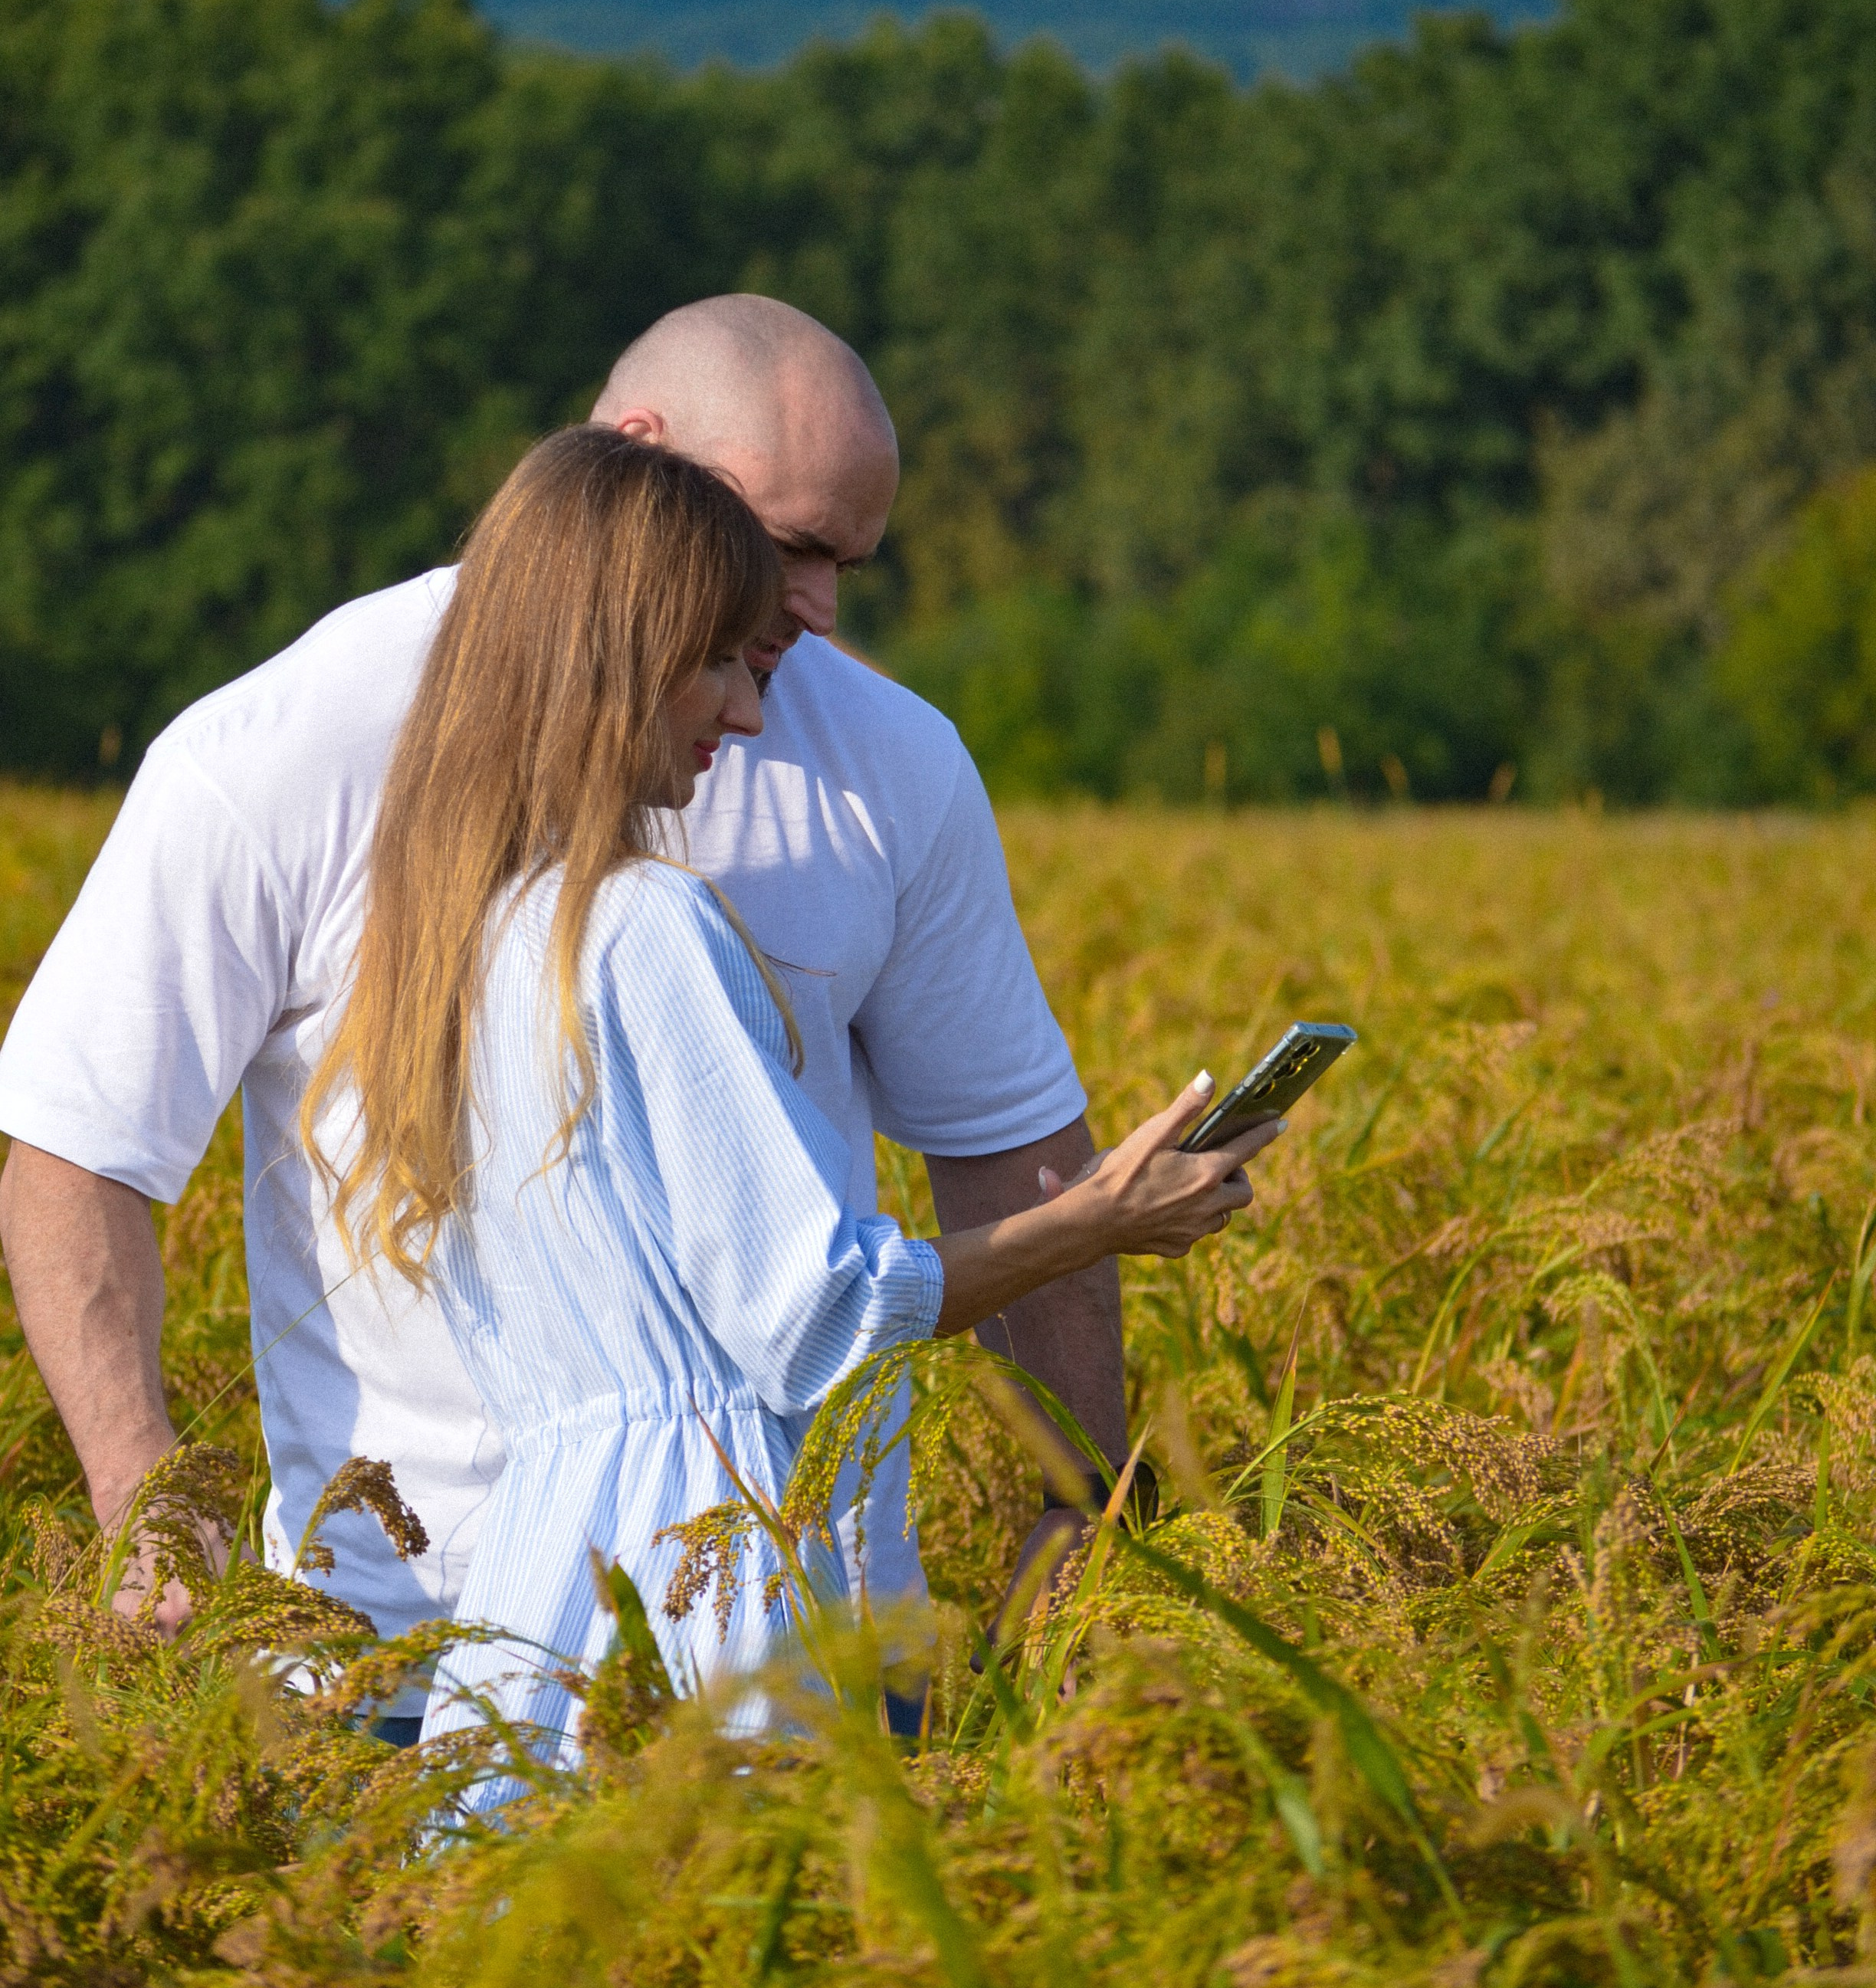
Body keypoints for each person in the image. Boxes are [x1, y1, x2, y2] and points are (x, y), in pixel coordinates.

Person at [0, 297, 1173, 1691]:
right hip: (403, 1646)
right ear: (636, 467)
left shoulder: (892, 764)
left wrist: (1080, 1504)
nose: (814, 613)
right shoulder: (284, 755)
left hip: (804, 1631)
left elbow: (1004, 1143)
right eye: (784, 545)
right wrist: (149, 1520)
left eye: (848, 561)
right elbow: (79, 1147)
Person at [310, 425, 1268, 1770]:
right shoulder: (639, 931)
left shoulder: (462, 939)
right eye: (716, 662)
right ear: (610, 657)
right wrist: (1096, 1221)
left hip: (537, 1597)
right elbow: (816, 1316)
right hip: (709, 1602)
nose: (749, 713)